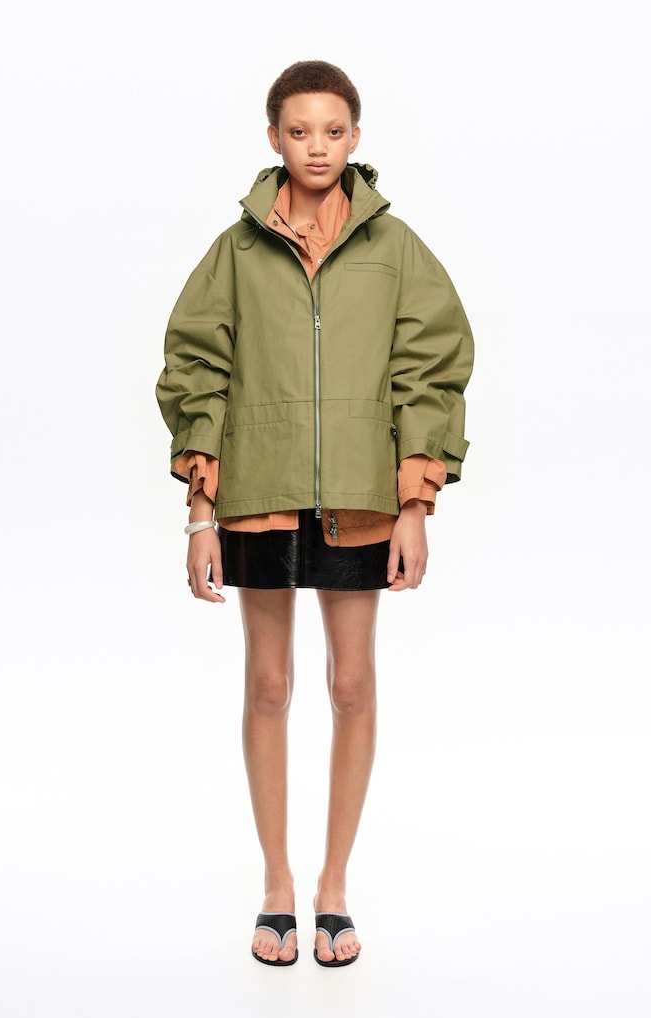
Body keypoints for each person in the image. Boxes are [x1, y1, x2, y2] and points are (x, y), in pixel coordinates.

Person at [156, 60, 474, 968]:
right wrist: (200, 514)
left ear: (356, 137)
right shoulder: (236, 250)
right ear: (274, 139)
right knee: (268, 686)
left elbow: (431, 369)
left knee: (351, 686)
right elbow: (196, 369)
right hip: (258, 492)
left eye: (334, 131)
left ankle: (334, 886)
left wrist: (416, 503)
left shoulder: (395, 249)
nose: (318, 148)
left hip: (359, 497)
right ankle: (277, 884)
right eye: (300, 132)